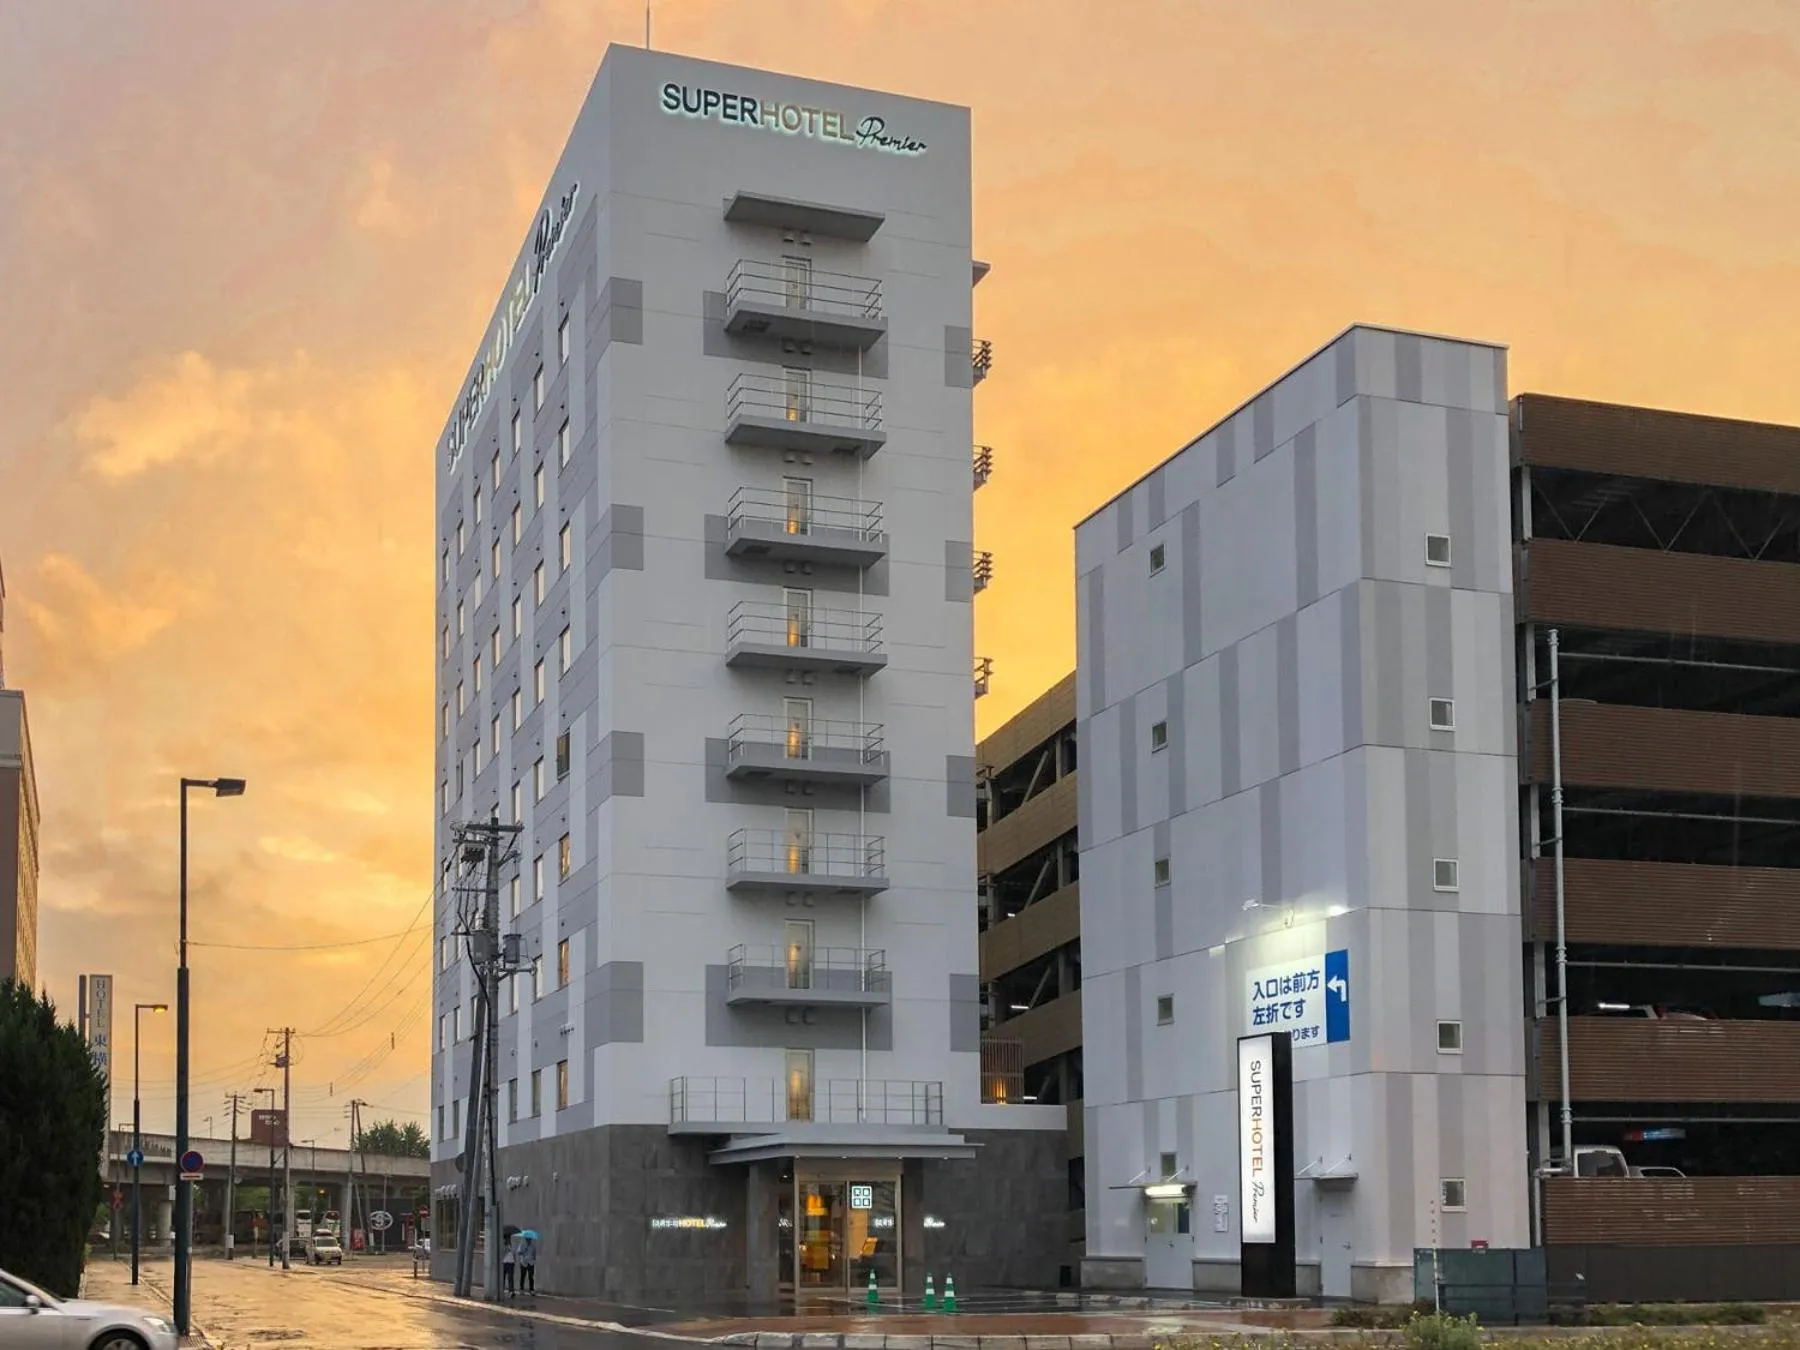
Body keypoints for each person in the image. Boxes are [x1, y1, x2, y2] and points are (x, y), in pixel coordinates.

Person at [516, 1229, 537, 1294]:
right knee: (522, 1276)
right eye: (527, 1239)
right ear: (525, 1239)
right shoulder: (522, 1245)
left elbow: (534, 1255)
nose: (529, 1240)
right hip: (523, 1262)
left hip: (530, 1263)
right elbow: (518, 1252)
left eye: (530, 1239)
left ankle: (531, 1290)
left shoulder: (533, 1247)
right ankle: (521, 1289)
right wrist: (523, 1251)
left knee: (531, 1277)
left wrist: (533, 1260)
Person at [501, 1226, 518, 1296]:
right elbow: (502, 1253)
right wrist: (506, 1248)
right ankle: (501, 1290)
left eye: (509, 1238)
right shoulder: (502, 1245)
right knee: (502, 1277)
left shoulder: (511, 1245)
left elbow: (514, 1253)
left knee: (510, 1277)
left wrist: (514, 1259)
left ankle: (511, 1291)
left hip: (511, 1263)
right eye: (507, 1238)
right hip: (504, 1262)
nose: (509, 1240)